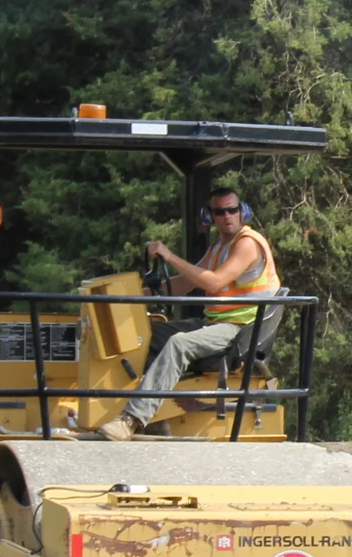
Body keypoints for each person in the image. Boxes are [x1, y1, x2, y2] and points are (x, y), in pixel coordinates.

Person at [99, 182, 280, 440]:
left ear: (243, 212)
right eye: (220, 212)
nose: (227, 216)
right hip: (216, 324)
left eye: (232, 210)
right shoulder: (219, 247)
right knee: (149, 333)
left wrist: (170, 256)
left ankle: (131, 419)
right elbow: (185, 283)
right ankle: (155, 417)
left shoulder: (248, 244)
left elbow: (213, 281)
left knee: (178, 344)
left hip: (239, 331)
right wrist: (138, 295)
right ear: (210, 217)